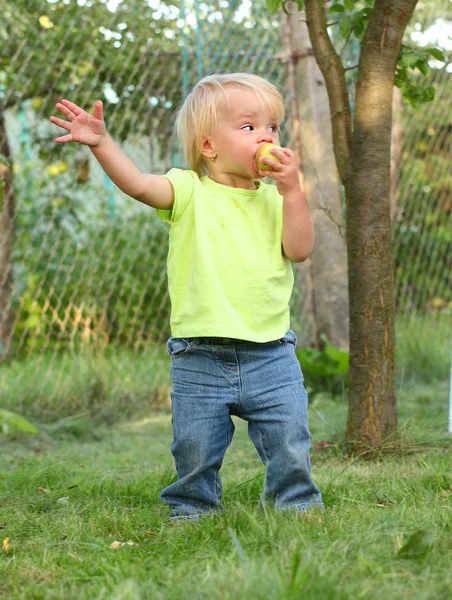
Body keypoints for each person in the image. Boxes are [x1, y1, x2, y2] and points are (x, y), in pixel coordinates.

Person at [50, 72, 324, 520]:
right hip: (199, 355)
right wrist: (101, 144)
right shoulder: (188, 191)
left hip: (272, 354)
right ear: (209, 146)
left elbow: (301, 249)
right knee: (194, 444)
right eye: (249, 127)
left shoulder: (278, 200)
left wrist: (293, 190)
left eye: (273, 126)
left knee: (289, 438)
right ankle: (193, 508)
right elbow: (138, 184)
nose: (266, 137)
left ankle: (296, 503)